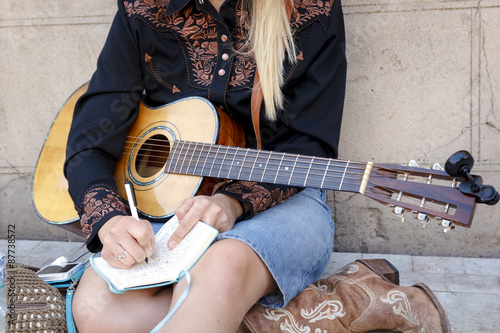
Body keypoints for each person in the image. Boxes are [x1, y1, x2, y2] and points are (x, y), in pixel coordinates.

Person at [64, 0, 450, 332]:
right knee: (97, 312)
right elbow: (90, 139)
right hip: (168, 205)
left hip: (284, 198)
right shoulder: (142, 7)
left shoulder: (309, 9)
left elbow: (308, 144)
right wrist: (110, 220)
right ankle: (332, 307)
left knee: (214, 276)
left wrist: (231, 203)